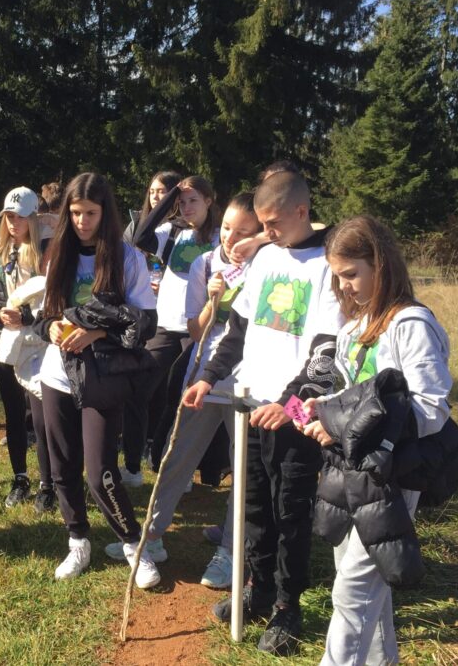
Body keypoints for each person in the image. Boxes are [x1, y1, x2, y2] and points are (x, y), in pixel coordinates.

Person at [184, 169, 344, 655]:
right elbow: (237, 328)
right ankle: (258, 588)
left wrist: (288, 404)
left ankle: (288, 607)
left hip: (296, 412)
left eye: (273, 223)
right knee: (253, 505)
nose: (266, 233)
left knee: (290, 510)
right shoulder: (265, 257)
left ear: (302, 211)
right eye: (262, 224)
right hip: (251, 405)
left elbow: (326, 354)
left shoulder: (328, 264)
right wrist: (209, 376)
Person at [297, 216, 452, 665]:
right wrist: (324, 406)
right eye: (337, 275)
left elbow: (431, 408)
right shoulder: (354, 328)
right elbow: (356, 396)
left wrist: (341, 426)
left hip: (391, 476)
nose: (344, 286)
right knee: (365, 587)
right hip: (353, 475)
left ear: (381, 265)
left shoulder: (411, 324)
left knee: (353, 592)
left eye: (352, 274)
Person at [105, 192, 268, 586]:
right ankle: (152, 537)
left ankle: (229, 552)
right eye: (227, 228)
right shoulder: (204, 263)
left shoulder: (269, 265)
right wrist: (213, 299)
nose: (231, 238)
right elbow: (195, 330)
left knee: (244, 468)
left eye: (244, 232)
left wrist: (260, 245)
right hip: (203, 375)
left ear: (261, 233)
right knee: (177, 455)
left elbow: (314, 233)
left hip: (250, 382)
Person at [36, 172, 161, 589]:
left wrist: (98, 332)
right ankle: (78, 540)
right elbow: (44, 316)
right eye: (75, 213)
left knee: (100, 472)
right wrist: (53, 328)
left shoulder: (127, 258)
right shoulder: (58, 254)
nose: (82, 221)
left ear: (105, 213)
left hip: (103, 377)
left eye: (90, 213)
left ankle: (133, 544)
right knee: (63, 466)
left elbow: (146, 321)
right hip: (57, 376)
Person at [123, 176, 220, 486]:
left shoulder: (220, 237)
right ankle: (133, 467)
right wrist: (171, 196)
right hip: (164, 327)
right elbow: (140, 235)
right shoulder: (172, 231)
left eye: (193, 200)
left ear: (209, 201)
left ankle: (176, 467)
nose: (186, 207)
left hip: (200, 331)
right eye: (182, 202)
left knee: (183, 400)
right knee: (138, 390)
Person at [0, 187, 57, 511]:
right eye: (9, 217)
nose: (13, 223)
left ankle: (48, 484)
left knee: (41, 418)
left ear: (33, 218)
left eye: (20, 217)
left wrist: (25, 316)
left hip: (40, 343)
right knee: (13, 414)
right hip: (6, 343)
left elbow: (55, 302)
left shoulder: (48, 251)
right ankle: (20, 478)